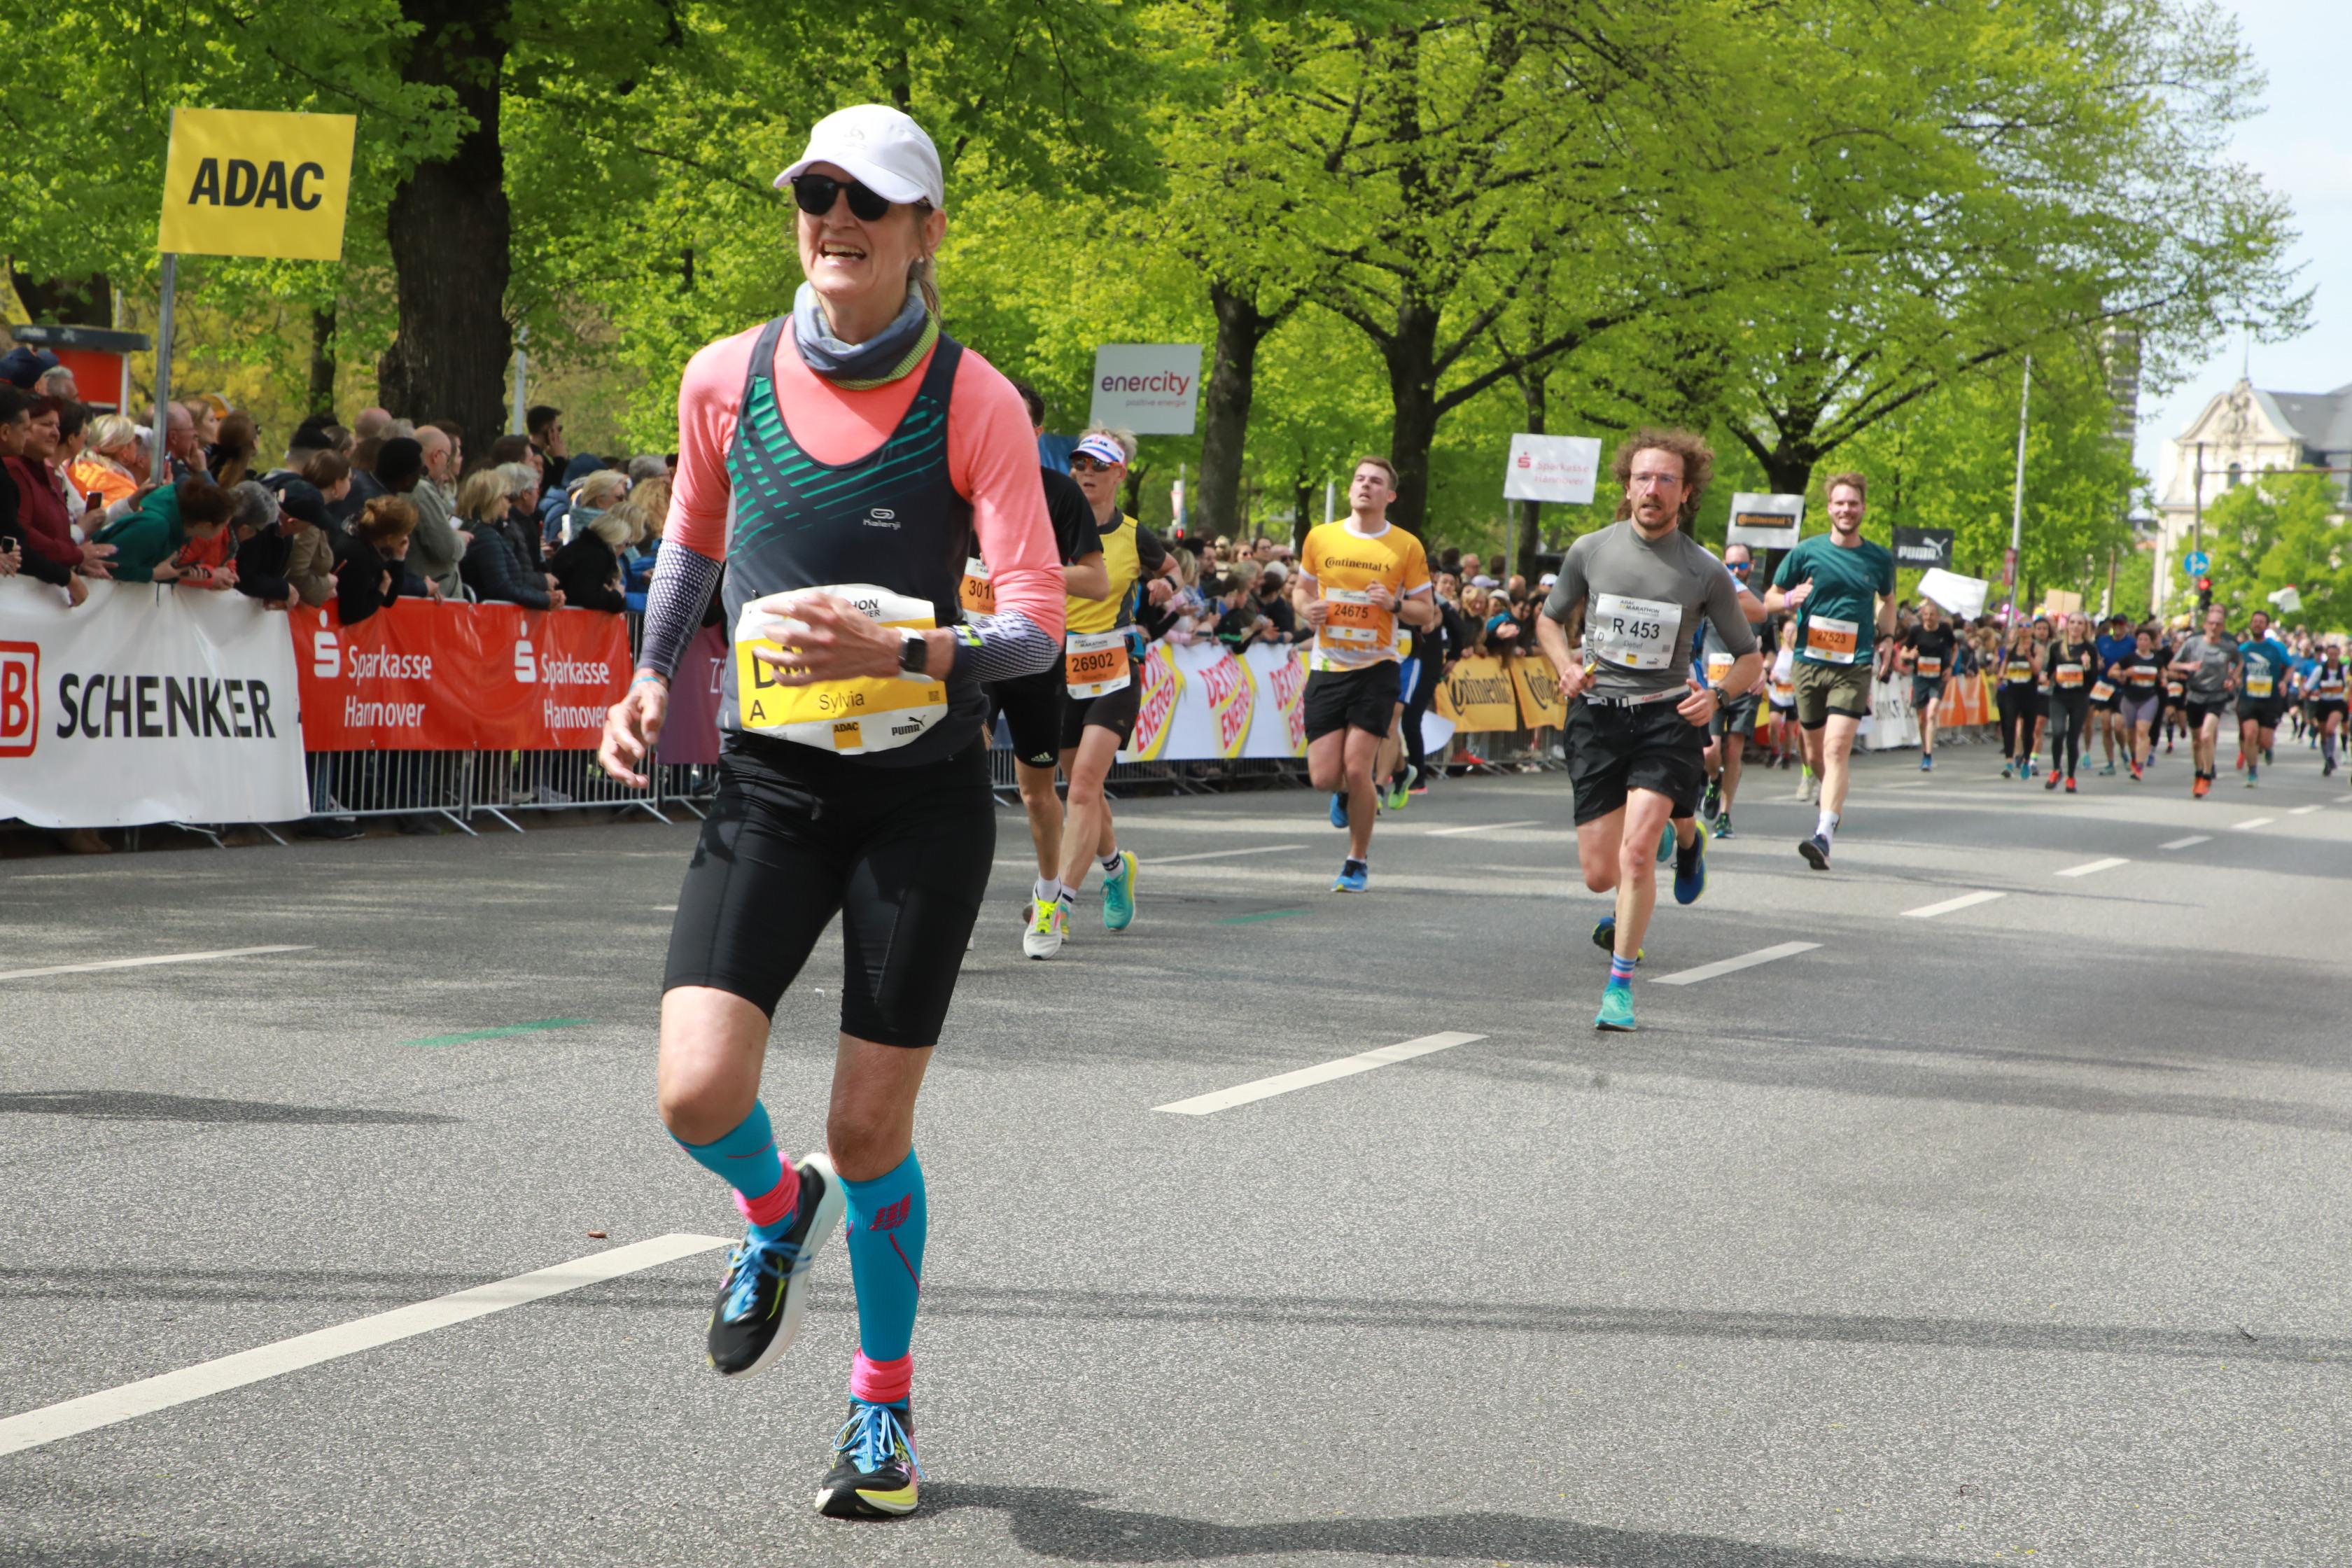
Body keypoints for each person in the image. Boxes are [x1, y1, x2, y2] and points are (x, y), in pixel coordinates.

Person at [594, 104, 1061, 1522]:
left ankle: (882, 1407)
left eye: (869, 199)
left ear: (926, 231)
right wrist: (646, 679)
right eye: (815, 193)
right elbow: (693, 539)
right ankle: (768, 1213)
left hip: (921, 801)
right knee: (696, 1089)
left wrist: (904, 651)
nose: (836, 218)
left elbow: (1037, 627)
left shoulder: (976, 400)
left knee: (868, 1129)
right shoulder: (723, 374)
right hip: (772, 784)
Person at [1538, 429, 1759, 1032]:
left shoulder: (1705, 571)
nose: (1652, 489)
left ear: (1685, 493)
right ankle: (1685, 842)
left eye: (1666, 480)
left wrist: (1714, 696)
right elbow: (1549, 621)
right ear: (1626, 484)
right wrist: (1564, 667)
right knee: (1599, 874)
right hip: (1597, 716)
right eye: (1642, 477)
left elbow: (1749, 659)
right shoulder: (1590, 550)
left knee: (1635, 856)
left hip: (1665, 716)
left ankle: (1620, 989)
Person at [1024, 426, 1169, 955]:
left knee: (1084, 785)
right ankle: (1115, 867)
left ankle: (1058, 902)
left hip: (1112, 671)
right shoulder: (1049, 525)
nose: (1086, 472)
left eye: (1098, 465)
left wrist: (1164, 591)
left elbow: (1180, 573)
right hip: (1057, 667)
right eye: (1079, 463)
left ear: (1119, 473)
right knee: (1077, 783)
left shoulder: (1136, 535)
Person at [974, 382, 1107, 936]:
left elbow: (1096, 581)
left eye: (1014, 418)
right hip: (972, 649)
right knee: (960, 778)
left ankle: (1050, 892)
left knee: (1035, 794)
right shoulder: (964, 484)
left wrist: (1030, 576)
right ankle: (953, 911)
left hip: (1033, 650)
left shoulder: (1060, 493)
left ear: (1035, 432)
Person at [1291, 454, 1436, 892]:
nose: (1365, 486)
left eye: (1375, 482)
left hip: (1377, 668)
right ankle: (1345, 796)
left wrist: (1393, 604)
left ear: (1389, 495)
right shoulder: (1321, 537)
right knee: (1322, 777)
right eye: (1359, 479)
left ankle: (1356, 861)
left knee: (1359, 769)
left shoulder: (1405, 546)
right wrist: (1306, 609)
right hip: (1328, 666)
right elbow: (1301, 590)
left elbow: (1426, 613)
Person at [1764, 472, 1895, 869]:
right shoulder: (1806, 552)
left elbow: (1888, 600)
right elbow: (1768, 598)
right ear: (1829, 509)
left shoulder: (1878, 558)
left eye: (1853, 503)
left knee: (1837, 748)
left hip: (1852, 666)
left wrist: (1887, 637)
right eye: (1839, 503)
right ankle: (1831, 801)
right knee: (1814, 751)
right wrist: (1789, 597)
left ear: (1863, 509)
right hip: (1808, 663)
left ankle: (1824, 832)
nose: (1846, 509)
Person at [1696, 541, 1768, 835]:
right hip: (1714, 685)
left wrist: (1764, 670)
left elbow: (1771, 648)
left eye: (1741, 565)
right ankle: (1714, 779)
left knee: (1735, 749)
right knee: (1710, 751)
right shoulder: (1709, 597)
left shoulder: (1759, 603)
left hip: (1745, 685)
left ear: (1751, 566)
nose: (1735, 570)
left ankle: (1725, 815)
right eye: (1730, 565)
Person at [2167, 605, 2239, 799]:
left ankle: (2207, 774)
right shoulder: (2193, 644)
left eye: (2219, 624)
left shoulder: (2228, 646)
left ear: (2223, 627)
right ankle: (2198, 772)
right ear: (2205, 625)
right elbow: (2172, 664)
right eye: (2212, 624)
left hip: (2216, 696)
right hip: (2195, 695)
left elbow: (2240, 662)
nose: (2214, 627)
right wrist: (2188, 666)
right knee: (2197, 741)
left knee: (2207, 735)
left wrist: (2232, 678)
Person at [1898, 598, 1959, 773]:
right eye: (1925, 615)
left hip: (1939, 677)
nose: (1929, 618)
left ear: (1938, 617)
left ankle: (1928, 755)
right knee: (1922, 718)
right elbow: (1903, 652)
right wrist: (1911, 655)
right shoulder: (1916, 631)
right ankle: (1925, 749)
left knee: (1932, 714)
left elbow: (1955, 649)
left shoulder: (1945, 630)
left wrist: (1951, 667)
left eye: (1932, 615)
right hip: (1920, 677)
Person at [2041, 612, 2097, 792]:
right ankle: (2056, 770)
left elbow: (2093, 680)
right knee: (2058, 733)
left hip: (2079, 698)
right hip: (2059, 696)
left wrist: (2087, 666)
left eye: (2080, 623)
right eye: (2072, 622)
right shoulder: (2057, 647)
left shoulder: (2089, 648)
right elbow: (2050, 669)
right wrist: (2044, 676)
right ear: (2067, 626)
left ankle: (2071, 776)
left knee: (2072, 739)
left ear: (2085, 627)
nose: (2076, 626)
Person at [2235, 609, 2290, 786]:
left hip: (2270, 699)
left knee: (2264, 741)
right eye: (2255, 621)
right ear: (2251, 625)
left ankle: (2268, 747)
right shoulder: (2243, 649)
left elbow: (2290, 667)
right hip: (2248, 698)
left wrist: (2284, 682)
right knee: (2250, 734)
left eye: (2261, 622)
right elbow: (2234, 670)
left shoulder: (2276, 648)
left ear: (2266, 626)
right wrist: (2235, 679)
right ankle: (2252, 773)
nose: (2257, 624)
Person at [2111, 626, 2164, 780]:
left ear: (2151, 643)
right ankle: (2135, 757)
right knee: (2131, 732)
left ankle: (2139, 767)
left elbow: (2163, 674)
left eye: (2146, 640)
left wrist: (2165, 680)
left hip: (2149, 698)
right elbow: (2112, 672)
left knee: (2142, 731)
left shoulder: (2157, 660)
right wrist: (2125, 673)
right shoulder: (2129, 658)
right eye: (2140, 639)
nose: (2142, 642)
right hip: (2130, 697)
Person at [2090, 614, 2136, 775]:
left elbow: (2137, 661)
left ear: (2126, 626)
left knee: (2118, 726)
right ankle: (2110, 763)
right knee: (2105, 726)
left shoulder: (2132, 643)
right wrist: (2097, 664)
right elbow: (2094, 658)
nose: (2117, 627)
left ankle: (2124, 751)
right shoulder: (2102, 641)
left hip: (2123, 688)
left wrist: (2126, 674)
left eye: (2121, 624)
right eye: (2115, 624)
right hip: (2104, 686)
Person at [2312, 645, 2346, 776]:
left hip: (2338, 703)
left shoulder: (2344, 669)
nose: (2333, 658)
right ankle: (2327, 760)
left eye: (2335, 655)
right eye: (2330, 655)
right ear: (2327, 655)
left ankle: (2331, 756)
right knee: (2323, 734)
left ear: (2339, 655)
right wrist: (2307, 691)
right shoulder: (2320, 669)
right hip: (2323, 703)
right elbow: (2309, 685)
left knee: (2330, 729)